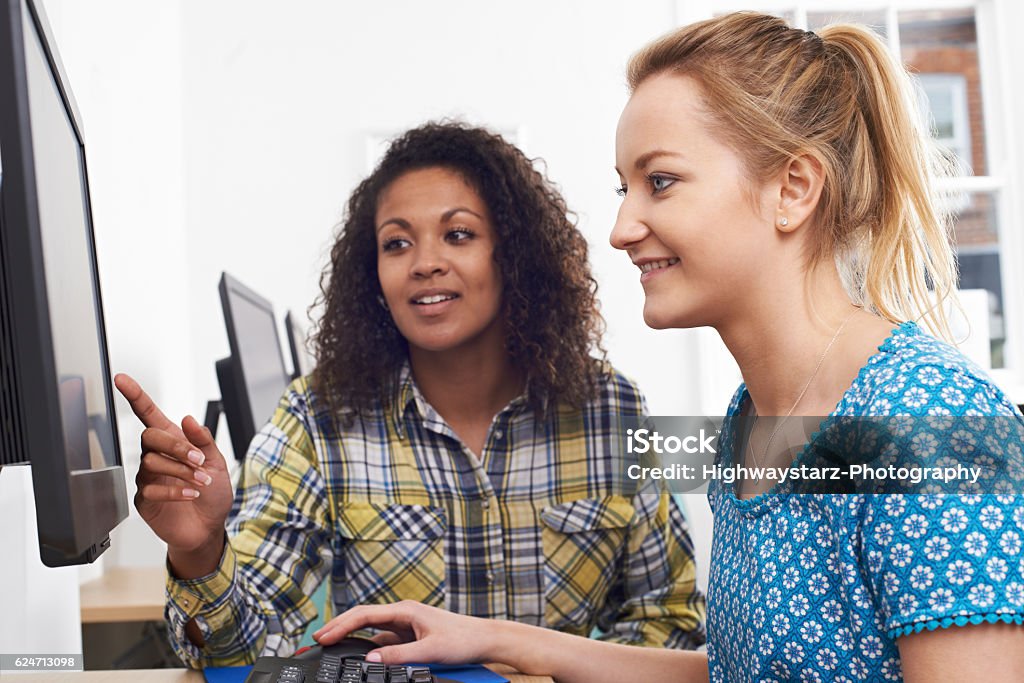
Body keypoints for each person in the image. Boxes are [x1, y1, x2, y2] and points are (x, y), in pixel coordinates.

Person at [313, 13, 1024, 682]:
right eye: (626, 188)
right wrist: (494, 636)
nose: (622, 226)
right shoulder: (751, 419)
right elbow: (736, 670)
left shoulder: (929, 423)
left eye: (661, 182)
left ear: (794, 188)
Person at [115, 122, 706, 668]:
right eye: (397, 244)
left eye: (458, 234)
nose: (425, 263)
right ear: (371, 273)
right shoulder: (318, 419)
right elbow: (243, 654)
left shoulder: (609, 408)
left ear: (514, 256)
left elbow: (671, 618)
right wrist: (201, 552)